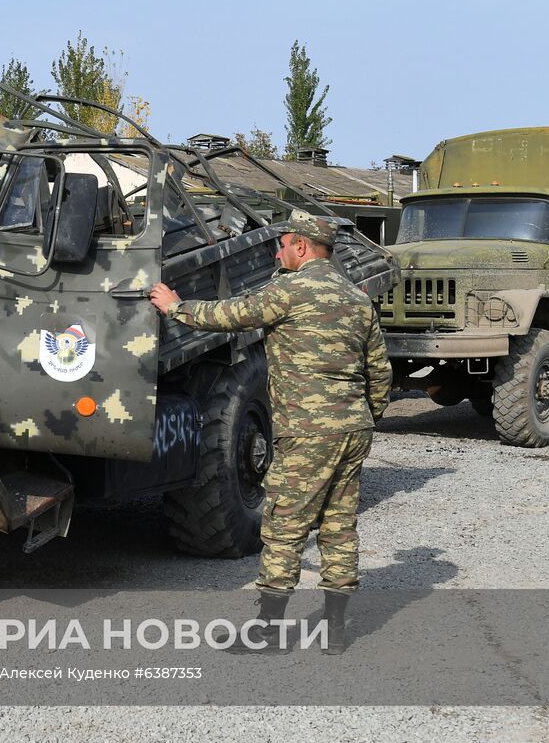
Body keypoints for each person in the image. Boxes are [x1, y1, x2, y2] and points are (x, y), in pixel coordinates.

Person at [148, 210, 391, 653]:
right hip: (354, 428)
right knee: (339, 527)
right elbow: (379, 371)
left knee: (284, 527)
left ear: (302, 247)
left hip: (307, 432)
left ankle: (269, 632)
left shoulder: (290, 291)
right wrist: (364, 417)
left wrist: (174, 306)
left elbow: (231, 315)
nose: (278, 252)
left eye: (282, 245)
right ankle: (335, 632)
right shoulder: (358, 299)